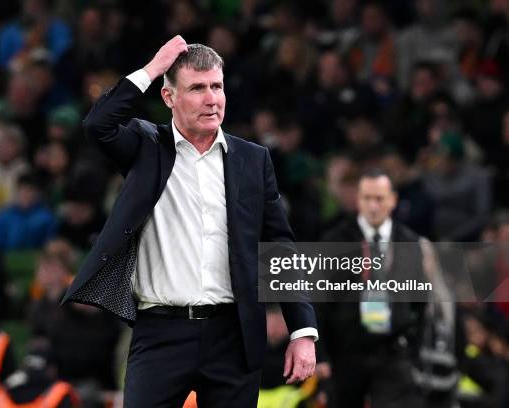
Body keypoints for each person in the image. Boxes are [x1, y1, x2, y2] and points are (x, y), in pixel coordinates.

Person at [61, 36, 317, 407]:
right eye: (197, 88)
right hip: (160, 332)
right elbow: (97, 124)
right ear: (169, 98)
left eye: (217, 86)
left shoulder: (253, 159)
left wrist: (302, 330)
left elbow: (279, 246)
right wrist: (153, 68)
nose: (211, 98)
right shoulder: (146, 147)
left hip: (234, 333)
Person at [317, 168, 427, 408]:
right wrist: (321, 354)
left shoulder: (409, 242)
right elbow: (319, 303)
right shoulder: (334, 241)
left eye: (379, 198)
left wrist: (414, 351)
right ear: (358, 200)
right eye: (367, 198)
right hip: (346, 352)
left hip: (393, 351)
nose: (373, 206)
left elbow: (422, 302)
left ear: (393, 200)